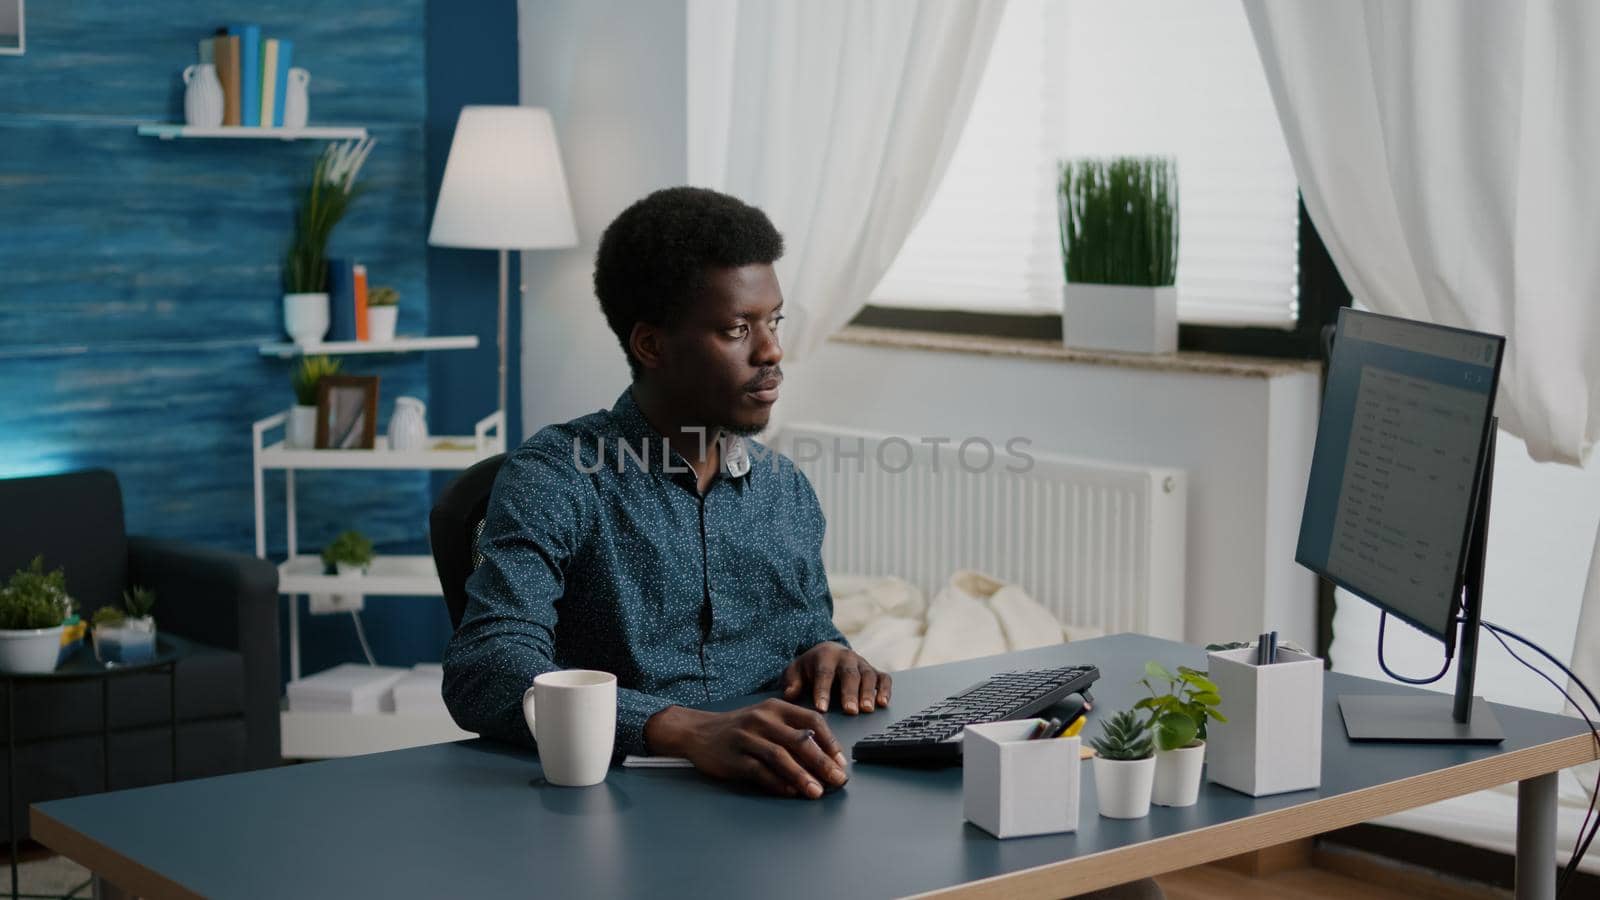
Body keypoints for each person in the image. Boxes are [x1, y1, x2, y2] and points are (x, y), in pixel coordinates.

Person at [442, 186, 889, 800]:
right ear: (650, 345)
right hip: (618, 806)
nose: (772, 351)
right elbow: (485, 670)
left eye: (774, 320)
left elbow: (809, 628)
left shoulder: (785, 490)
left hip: (782, 790)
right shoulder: (559, 475)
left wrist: (828, 653)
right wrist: (680, 728)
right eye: (737, 329)